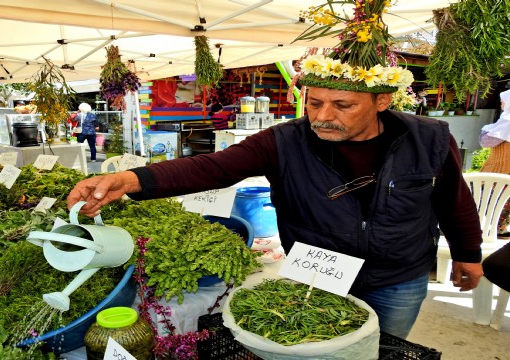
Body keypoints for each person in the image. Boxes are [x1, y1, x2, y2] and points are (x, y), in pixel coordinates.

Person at [67, 1, 484, 340]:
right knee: (318, 343)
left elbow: (453, 200)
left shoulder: (427, 138)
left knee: (386, 347)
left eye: (342, 106)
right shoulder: (285, 140)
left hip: (398, 276)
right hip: (319, 272)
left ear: (381, 102)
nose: (323, 116)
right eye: (315, 102)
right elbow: (212, 168)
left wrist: (468, 254)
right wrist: (130, 180)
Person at [478, 89, 510, 238]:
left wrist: (484, 130)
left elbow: (486, 141)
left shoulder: (507, 120)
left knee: (489, 201)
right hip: (503, 169)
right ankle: (500, 231)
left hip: (500, 169)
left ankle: (491, 231)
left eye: (503, 100)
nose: (501, 104)